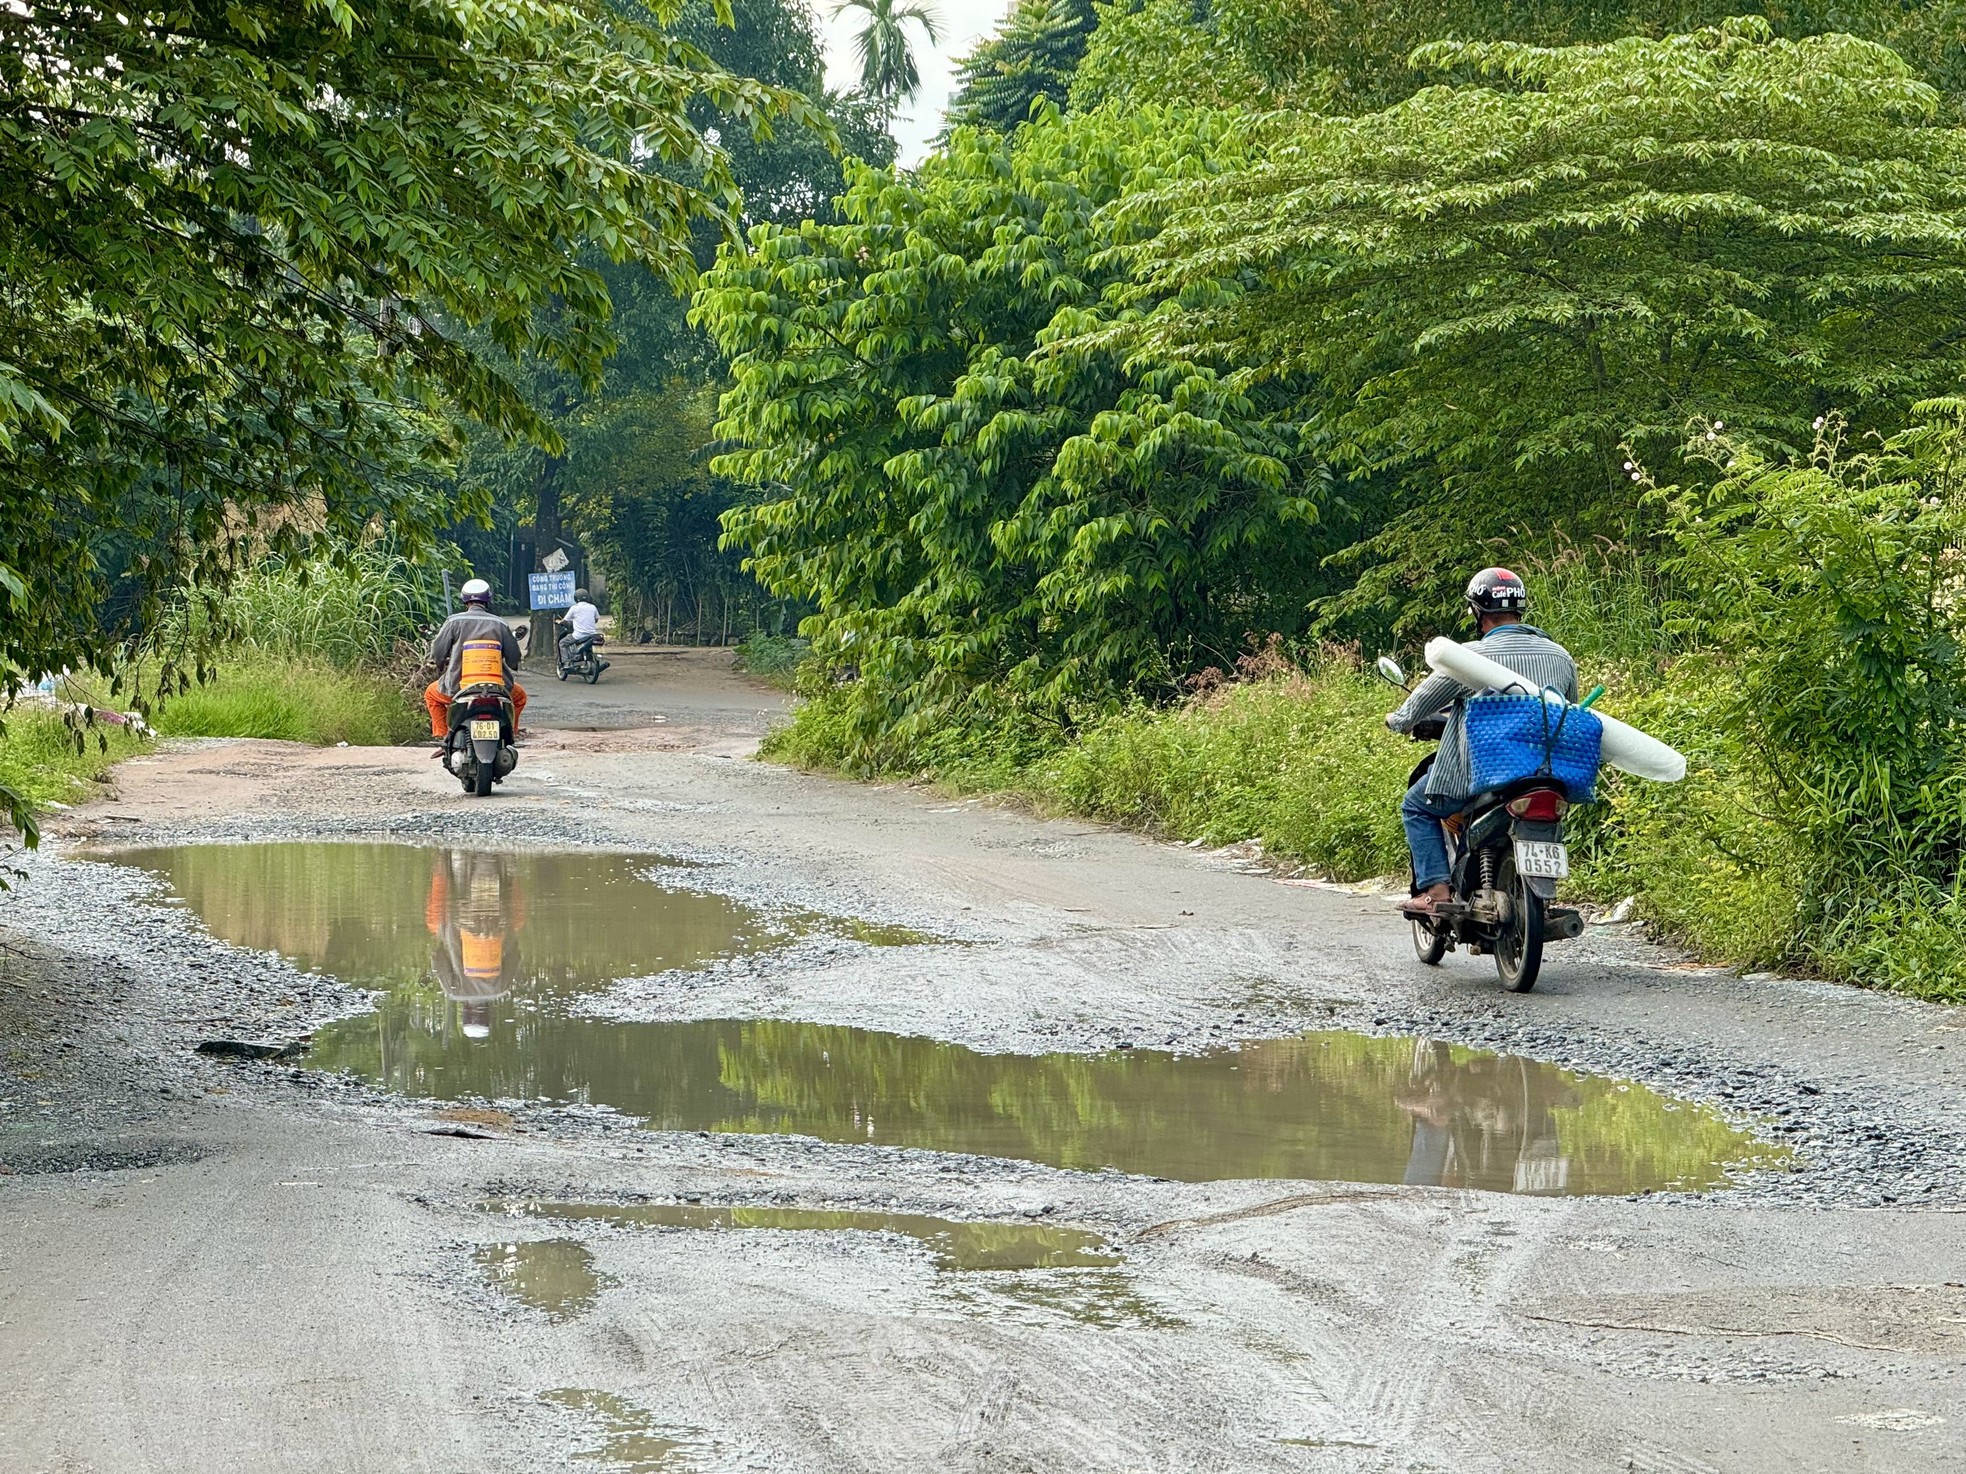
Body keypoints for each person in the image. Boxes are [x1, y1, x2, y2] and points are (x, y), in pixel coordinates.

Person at [1383, 567, 1577, 919]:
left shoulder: (1470, 657)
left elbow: (1422, 701)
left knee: (1417, 806)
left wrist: (1398, 721)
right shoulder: (1560, 656)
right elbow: (1570, 710)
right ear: (1520, 609)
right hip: (1547, 771)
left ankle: (1436, 891)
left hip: (1486, 771)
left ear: (1477, 611)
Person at [424, 578, 527, 740]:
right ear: (488, 599)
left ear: (465, 600)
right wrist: (511, 665)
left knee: (431, 694)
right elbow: (514, 658)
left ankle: (444, 737)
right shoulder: (500, 624)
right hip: (498, 689)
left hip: (457, 687)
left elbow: (438, 652)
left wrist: (440, 665)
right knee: (520, 696)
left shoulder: (453, 622)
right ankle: (510, 734)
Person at [557, 587, 601, 670]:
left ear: (576, 598)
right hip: (592, 635)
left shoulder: (574, 608)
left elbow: (565, 620)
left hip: (579, 635)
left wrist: (559, 622)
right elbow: (596, 619)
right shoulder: (593, 607)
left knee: (562, 643)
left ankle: (566, 663)